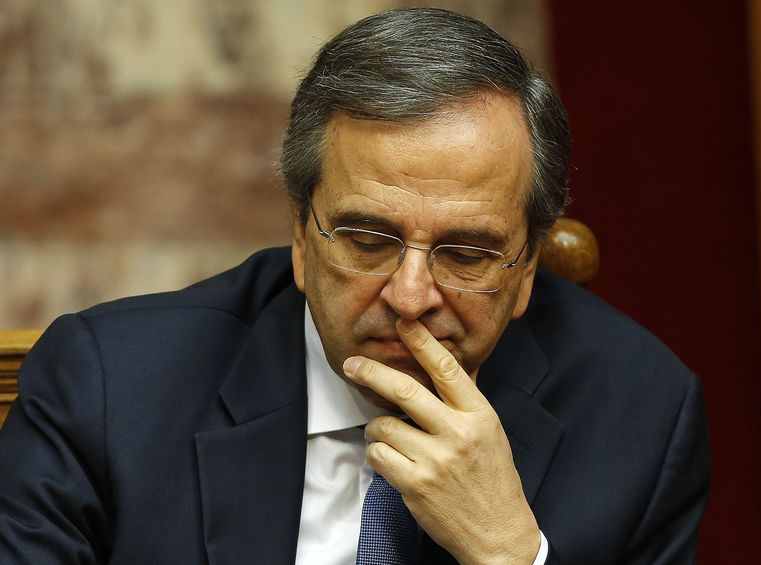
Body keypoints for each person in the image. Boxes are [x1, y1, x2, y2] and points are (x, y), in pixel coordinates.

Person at [0, 7, 709, 565]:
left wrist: (510, 555)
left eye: (464, 254)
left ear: (526, 270)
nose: (409, 295)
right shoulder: (110, 387)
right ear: (303, 240)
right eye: (369, 241)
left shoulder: (639, 418)